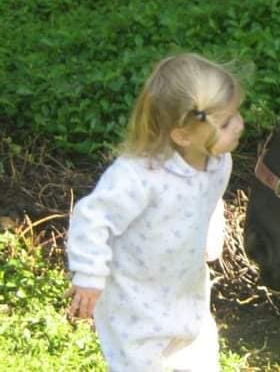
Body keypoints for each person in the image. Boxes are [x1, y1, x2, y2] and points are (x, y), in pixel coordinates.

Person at [65, 52, 244, 371]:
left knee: (199, 356)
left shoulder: (218, 161)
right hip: (135, 300)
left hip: (186, 291)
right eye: (227, 122)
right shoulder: (138, 175)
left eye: (237, 114)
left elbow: (208, 195)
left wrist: (213, 224)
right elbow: (93, 218)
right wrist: (90, 276)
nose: (240, 125)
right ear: (182, 135)